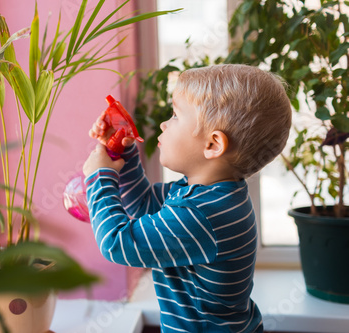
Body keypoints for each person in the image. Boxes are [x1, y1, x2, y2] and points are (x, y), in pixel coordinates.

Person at [82, 64, 292, 332]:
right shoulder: (209, 195)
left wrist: (99, 178)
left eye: (175, 115)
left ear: (213, 145)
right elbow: (144, 204)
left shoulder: (202, 215)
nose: (163, 124)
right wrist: (124, 152)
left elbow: (116, 243)